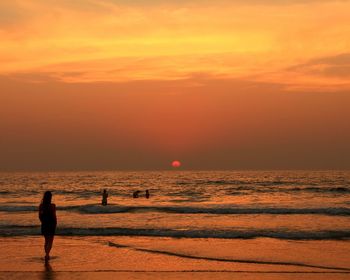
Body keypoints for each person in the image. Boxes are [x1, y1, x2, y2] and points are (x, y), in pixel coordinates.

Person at [38, 191, 57, 262]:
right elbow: (54, 216)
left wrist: (43, 222)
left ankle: (46, 254)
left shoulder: (41, 206)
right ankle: (47, 254)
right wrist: (55, 224)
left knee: (46, 241)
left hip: (44, 224)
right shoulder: (53, 206)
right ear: (50, 197)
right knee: (50, 241)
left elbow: (39, 216)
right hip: (52, 224)